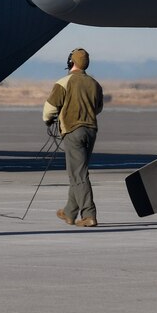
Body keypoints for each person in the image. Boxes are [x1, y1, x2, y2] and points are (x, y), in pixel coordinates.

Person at [44, 48, 104, 227]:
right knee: (78, 172)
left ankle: (89, 215)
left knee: (78, 174)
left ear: (71, 62)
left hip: (73, 131)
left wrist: (49, 120)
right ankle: (69, 212)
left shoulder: (64, 82)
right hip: (91, 131)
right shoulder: (95, 84)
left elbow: (50, 108)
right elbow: (98, 108)